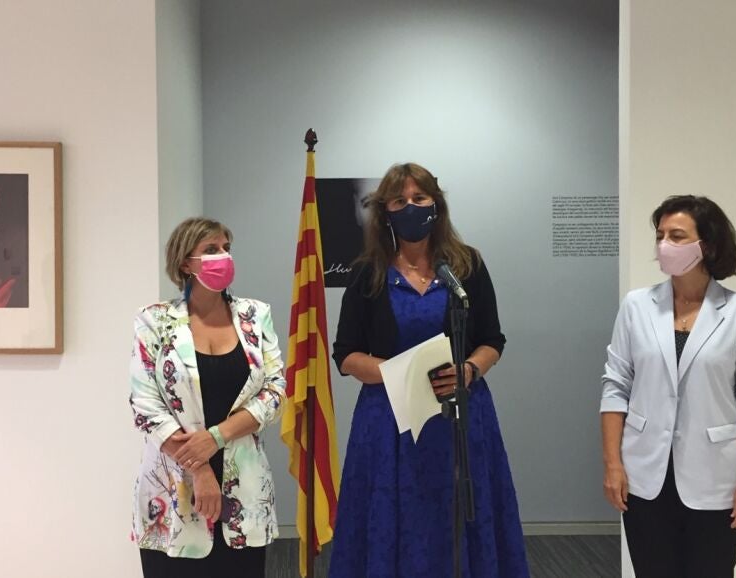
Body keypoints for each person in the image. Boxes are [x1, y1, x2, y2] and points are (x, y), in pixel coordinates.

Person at [329, 162, 530, 578]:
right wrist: (397, 371)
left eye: (419, 198)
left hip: (459, 417)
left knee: (458, 517)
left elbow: (493, 340)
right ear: (385, 211)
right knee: (393, 521)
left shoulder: (467, 266)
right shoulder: (368, 272)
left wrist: (470, 368)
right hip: (389, 423)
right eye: (399, 200)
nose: (410, 207)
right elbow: (346, 355)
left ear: (436, 205)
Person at [600, 195, 736, 577]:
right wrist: (613, 464)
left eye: (677, 236)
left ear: (706, 245)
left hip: (717, 479)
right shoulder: (636, 306)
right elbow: (615, 387)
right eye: (660, 235)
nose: (664, 244)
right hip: (645, 476)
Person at [129, 217, 286, 578]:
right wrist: (199, 467)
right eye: (211, 249)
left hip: (244, 490)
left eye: (227, 248)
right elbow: (145, 406)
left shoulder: (255, 315)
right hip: (173, 488)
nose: (224, 256)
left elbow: (275, 391)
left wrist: (215, 438)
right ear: (186, 263)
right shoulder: (154, 320)